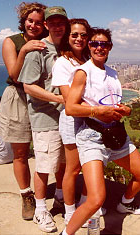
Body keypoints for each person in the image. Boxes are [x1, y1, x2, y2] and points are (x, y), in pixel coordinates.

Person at [61, 28, 140, 235]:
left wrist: (125, 109)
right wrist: (96, 111)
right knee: (95, 199)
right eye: (94, 44)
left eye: (104, 44)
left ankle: (125, 203)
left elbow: (114, 103)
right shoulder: (83, 72)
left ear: (110, 47)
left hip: (116, 133)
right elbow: (71, 108)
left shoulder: (112, 73)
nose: (99, 48)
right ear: (89, 46)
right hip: (91, 136)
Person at [18, 6, 68, 233]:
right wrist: (58, 98)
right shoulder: (38, 50)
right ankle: (40, 210)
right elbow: (28, 86)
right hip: (44, 116)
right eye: (53, 22)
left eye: (61, 23)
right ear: (46, 25)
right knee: (45, 165)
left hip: (66, 117)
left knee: (63, 163)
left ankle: (59, 197)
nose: (57, 26)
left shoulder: (67, 49)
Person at [0, 1, 48, 221]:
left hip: (42, 98)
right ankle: (26, 194)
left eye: (38, 22)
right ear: (23, 21)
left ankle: (51, 192)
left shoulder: (48, 41)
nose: (33, 26)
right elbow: (15, 75)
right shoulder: (12, 42)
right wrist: (25, 50)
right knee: (20, 152)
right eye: (30, 21)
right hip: (18, 97)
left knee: (48, 148)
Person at [51, 18, 91, 225]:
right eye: (74, 34)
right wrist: (99, 109)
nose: (79, 38)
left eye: (83, 35)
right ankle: (69, 212)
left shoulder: (88, 59)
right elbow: (69, 98)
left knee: (90, 164)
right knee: (73, 168)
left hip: (91, 120)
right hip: (72, 120)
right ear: (67, 37)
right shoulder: (62, 63)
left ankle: (85, 204)